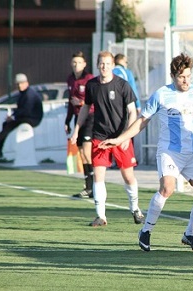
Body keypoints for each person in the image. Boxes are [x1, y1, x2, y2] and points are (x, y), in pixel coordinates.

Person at [98, 53, 193, 252]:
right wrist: (121, 139)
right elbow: (142, 122)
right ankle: (146, 231)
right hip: (169, 152)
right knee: (168, 188)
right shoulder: (162, 94)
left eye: (189, 76)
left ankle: (190, 234)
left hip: (192, 152)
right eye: (182, 77)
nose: (186, 80)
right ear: (173, 76)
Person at [70, 51, 144, 227]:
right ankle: (100, 215)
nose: (104, 67)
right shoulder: (92, 85)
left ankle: (135, 209)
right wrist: (76, 130)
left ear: (113, 65)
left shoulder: (122, 85)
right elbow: (85, 108)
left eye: (108, 64)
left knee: (128, 176)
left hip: (120, 138)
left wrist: (127, 135)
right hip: (100, 137)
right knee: (98, 176)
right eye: (102, 64)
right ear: (97, 65)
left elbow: (133, 111)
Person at [0, 73, 43, 159]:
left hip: (33, 118)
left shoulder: (29, 94)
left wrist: (13, 117)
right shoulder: (23, 94)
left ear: (27, 83)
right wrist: (12, 116)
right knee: (6, 124)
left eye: (21, 83)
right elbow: (20, 109)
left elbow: (26, 109)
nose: (20, 86)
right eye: (18, 84)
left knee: (9, 125)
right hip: (27, 117)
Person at [64, 51, 95, 198]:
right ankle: (88, 187)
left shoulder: (89, 79)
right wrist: (67, 121)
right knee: (82, 155)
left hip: (90, 118)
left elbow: (94, 103)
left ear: (84, 64)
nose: (76, 65)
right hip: (78, 119)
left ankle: (95, 186)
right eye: (74, 62)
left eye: (79, 63)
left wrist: (82, 103)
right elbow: (70, 103)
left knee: (87, 154)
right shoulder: (70, 79)